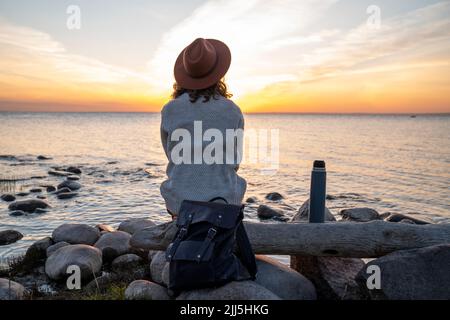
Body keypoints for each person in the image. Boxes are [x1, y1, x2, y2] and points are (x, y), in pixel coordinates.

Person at [160, 38, 246, 218]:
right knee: (235, 184)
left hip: (181, 202)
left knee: (177, 186)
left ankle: (181, 224)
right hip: (223, 199)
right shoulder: (232, 110)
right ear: (218, 76)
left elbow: (172, 155)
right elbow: (235, 161)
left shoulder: (170, 109)